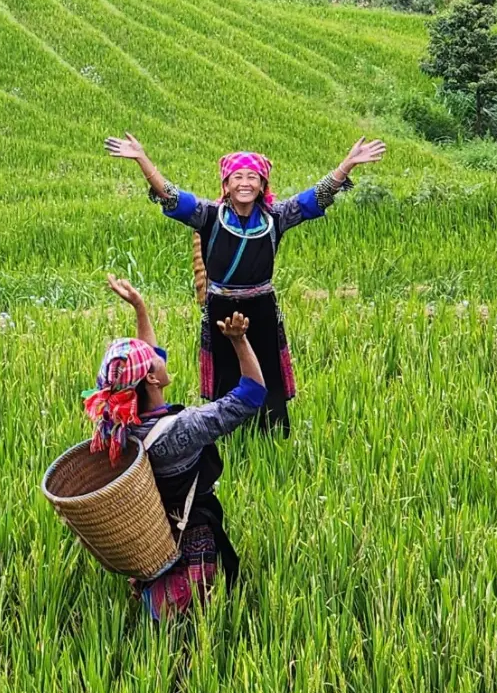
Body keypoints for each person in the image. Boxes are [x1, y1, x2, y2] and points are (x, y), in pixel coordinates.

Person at [103, 135, 385, 433]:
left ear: (263, 185)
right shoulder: (208, 215)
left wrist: (348, 164)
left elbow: (314, 197)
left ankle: (271, 434)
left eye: (253, 177)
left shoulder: (276, 217)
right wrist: (141, 159)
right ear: (226, 185)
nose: (245, 183)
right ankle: (226, 436)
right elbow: (172, 195)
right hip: (221, 308)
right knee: (226, 374)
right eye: (237, 176)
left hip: (261, 308)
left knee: (266, 372)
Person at [86, 275, 265, 619]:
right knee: (194, 623)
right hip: (191, 529)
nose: (159, 356)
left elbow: (146, 358)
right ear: (151, 379)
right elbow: (252, 393)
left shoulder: (118, 427)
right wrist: (239, 341)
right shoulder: (183, 429)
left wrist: (140, 308)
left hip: (152, 534)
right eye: (153, 360)